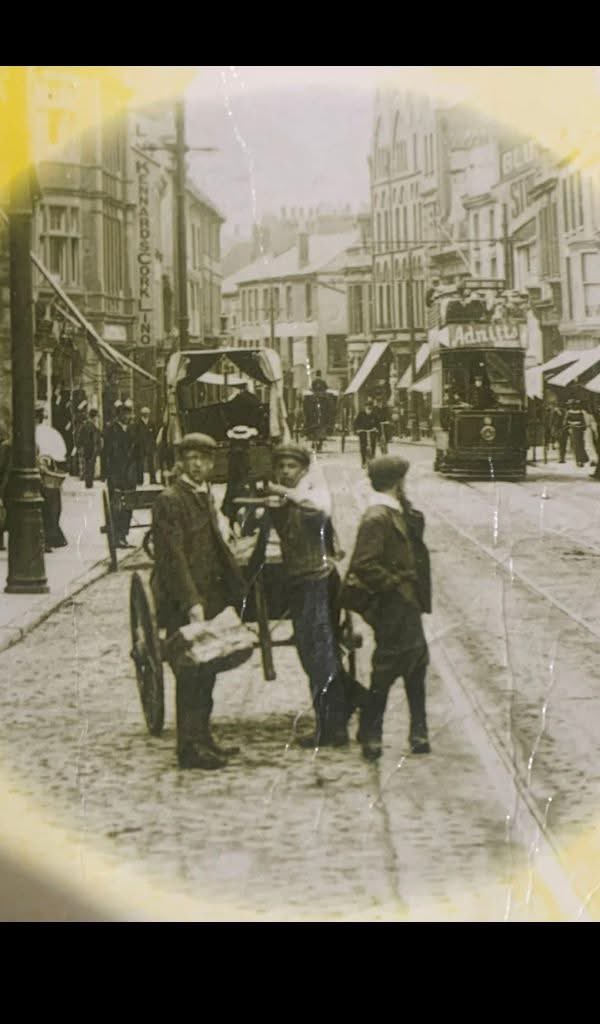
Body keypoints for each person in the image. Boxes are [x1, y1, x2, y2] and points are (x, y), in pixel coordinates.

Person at [151, 433, 246, 770]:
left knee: (206, 671)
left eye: (202, 459)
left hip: (209, 594)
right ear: (180, 462)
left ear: (211, 463)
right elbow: (172, 558)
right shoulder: (171, 499)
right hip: (184, 598)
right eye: (189, 458)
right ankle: (189, 748)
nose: (196, 464)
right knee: (190, 673)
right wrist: (191, 602)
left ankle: (203, 738)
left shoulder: (203, 495)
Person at [267, 444, 368, 748]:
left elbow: (317, 511)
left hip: (317, 582)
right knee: (311, 652)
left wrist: (286, 496)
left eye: (292, 467)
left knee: (319, 655)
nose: (286, 471)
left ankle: (333, 727)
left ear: (303, 470)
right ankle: (353, 698)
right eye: (281, 466)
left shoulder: (310, 494)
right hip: (300, 581)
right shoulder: (288, 498)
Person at [341, 456, 432, 762]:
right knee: (387, 667)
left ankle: (417, 732)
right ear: (397, 483)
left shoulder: (395, 512)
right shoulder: (377, 517)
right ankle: (372, 733)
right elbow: (362, 564)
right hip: (393, 604)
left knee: (416, 664)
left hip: (407, 603)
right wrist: (394, 584)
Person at [104, 400, 137, 547]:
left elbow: (139, 451)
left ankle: (123, 535)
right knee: (116, 505)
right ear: (119, 415)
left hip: (130, 475)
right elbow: (107, 453)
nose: (128, 416)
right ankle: (116, 535)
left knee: (128, 505)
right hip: (116, 475)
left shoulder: (133, 430)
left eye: (129, 413)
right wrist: (108, 474)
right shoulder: (112, 430)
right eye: (125, 413)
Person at [76, 408, 102, 489]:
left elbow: (79, 438)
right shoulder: (90, 426)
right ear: (94, 417)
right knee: (90, 466)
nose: (97, 419)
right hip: (90, 449)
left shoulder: (87, 425)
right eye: (96, 417)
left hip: (88, 449)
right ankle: (89, 483)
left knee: (89, 466)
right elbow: (92, 438)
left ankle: (89, 482)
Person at [131, 406, 158, 485]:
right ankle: (140, 480)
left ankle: (153, 480)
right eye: (144, 413)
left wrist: (153, 443)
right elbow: (135, 435)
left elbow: (154, 434)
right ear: (141, 414)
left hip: (149, 446)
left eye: (147, 413)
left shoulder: (151, 423)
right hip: (140, 446)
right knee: (140, 463)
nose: (146, 415)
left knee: (151, 464)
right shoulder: (137, 423)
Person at [353, 401, 378, 467]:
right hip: (363, 432)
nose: (369, 409)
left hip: (372, 431)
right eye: (367, 407)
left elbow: (377, 423)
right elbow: (356, 423)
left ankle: (372, 459)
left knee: (373, 445)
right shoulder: (361, 414)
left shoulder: (374, 414)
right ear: (365, 407)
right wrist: (357, 430)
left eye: (370, 407)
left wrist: (376, 429)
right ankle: (363, 461)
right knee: (363, 446)